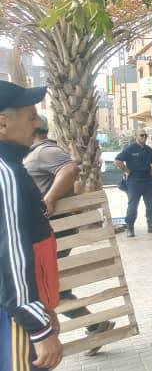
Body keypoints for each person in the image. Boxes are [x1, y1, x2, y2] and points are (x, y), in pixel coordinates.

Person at [0, 81, 63, 371]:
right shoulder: (5, 172)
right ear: (3, 123)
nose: (37, 122)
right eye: (29, 115)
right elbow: (11, 255)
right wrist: (39, 327)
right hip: (13, 321)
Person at [23, 115, 113, 352]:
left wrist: (50, 198)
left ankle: (91, 326)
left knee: (44, 285)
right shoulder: (34, 153)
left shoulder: (44, 151)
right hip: (47, 233)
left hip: (52, 233)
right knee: (52, 286)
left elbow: (70, 169)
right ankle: (96, 325)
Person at [115, 130, 152, 238]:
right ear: (136, 136)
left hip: (148, 181)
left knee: (151, 205)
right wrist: (127, 171)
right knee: (133, 205)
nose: (144, 137)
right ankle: (130, 228)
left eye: (146, 135)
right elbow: (117, 161)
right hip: (134, 181)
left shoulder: (148, 150)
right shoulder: (130, 148)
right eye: (142, 135)